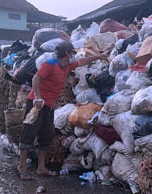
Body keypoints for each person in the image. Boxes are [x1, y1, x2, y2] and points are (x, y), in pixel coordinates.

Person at [17, 41, 106, 179]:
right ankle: (22, 167)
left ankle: (41, 168)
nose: (73, 55)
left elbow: (82, 61)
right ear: (66, 53)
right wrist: (38, 98)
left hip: (49, 106)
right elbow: (36, 78)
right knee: (29, 133)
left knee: (46, 134)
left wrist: (99, 57)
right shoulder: (50, 65)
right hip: (37, 104)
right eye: (72, 53)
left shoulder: (67, 66)